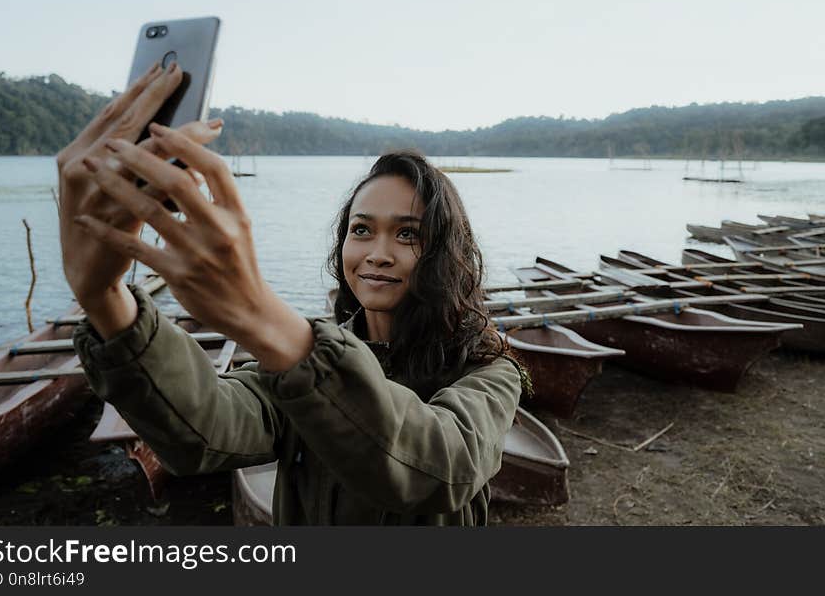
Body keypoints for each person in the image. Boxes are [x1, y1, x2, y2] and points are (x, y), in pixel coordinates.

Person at [59, 62, 525, 525]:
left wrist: (259, 313)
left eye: (408, 235)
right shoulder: (297, 369)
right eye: (361, 229)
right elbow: (208, 428)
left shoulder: (487, 371)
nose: (377, 253)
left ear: (447, 253)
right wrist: (107, 300)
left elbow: (439, 467)